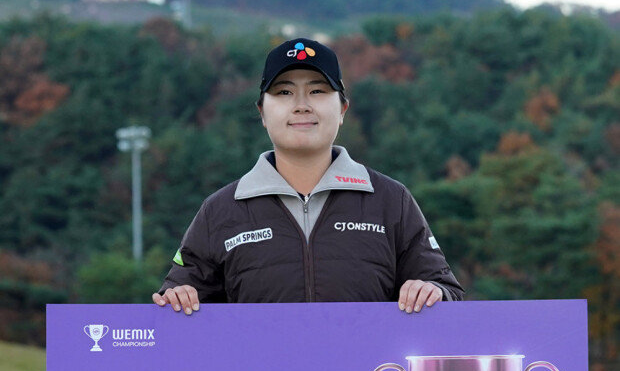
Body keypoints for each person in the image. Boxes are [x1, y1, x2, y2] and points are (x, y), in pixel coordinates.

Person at [152, 37, 464, 315]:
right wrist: (178, 298)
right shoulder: (220, 211)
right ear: (262, 112)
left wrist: (433, 292)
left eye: (317, 90)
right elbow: (176, 304)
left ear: (342, 109)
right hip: (259, 366)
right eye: (284, 92)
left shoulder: (390, 201)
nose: (301, 105)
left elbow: (447, 293)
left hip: (366, 366)